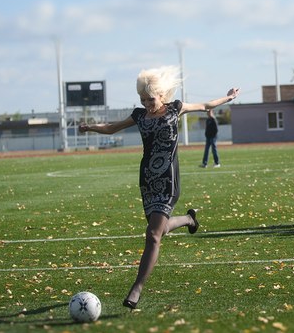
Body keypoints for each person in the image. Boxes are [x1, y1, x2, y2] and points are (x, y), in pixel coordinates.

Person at [78, 65, 239, 311]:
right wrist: (91, 128)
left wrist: (227, 97)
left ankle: (137, 287)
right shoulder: (140, 115)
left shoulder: (176, 108)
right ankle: (188, 219)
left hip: (168, 179)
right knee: (160, 230)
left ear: (161, 95)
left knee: (152, 235)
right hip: (147, 179)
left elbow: (206, 106)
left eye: (150, 99)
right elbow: (113, 127)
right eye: (142, 99)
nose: (146, 104)